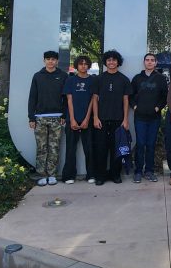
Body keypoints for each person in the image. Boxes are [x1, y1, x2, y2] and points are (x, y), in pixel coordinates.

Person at [28, 50, 67, 186]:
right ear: (44, 60)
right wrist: (31, 117)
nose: (51, 61)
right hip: (40, 118)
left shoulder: (63, 76)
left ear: (57, 61)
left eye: (53, 59)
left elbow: (66, 98)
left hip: (57, 118)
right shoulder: (38, 76)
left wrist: (65, 114)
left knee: (54, 147)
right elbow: (32, 97)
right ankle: (41, 175)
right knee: (41, 148)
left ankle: (52, 174)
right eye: (48, 59)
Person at [92, 50, 131, 185]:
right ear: (105, 62)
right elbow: (95, 99)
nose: (111, 62)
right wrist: (95, 117)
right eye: (108, 60)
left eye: (114, 60)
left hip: (118, 121)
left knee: (116, 150)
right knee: (101, 149)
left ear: (118, 62)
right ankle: (100, 176)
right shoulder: (98, 78)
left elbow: (126, 101)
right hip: (101, 120)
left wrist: (125, 119)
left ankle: (115, 175)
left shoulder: (124, 79)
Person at [130, 53, 168, 183]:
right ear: (144, 62)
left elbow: (165, 97)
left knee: (151, 145)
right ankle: (138, 171)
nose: (150, 62)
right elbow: (130, 95)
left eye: (152, 60)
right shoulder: (137, 78)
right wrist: (135, 107)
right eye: (147, 60)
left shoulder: (161, 79)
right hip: (139, 117)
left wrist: (158, 108)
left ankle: (150, 171)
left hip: (154, 118)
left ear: (156, 63)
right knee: (140, 144)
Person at [62, 56, 95, 184]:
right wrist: (73, 119)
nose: (83, 66)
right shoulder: (70, 80)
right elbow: (69, 100)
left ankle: (91, 174)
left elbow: (93, 100)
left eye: (86, 64)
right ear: (77, 65)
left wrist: (87, 119)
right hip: (73, 119)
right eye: (81, 64)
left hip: (88, 119)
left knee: (90, 148)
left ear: (88, 66)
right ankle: (69, 175)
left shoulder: (93, 80)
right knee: (70, 148)